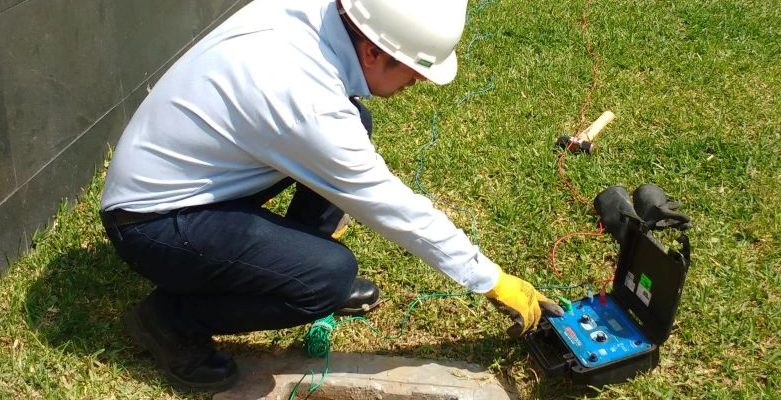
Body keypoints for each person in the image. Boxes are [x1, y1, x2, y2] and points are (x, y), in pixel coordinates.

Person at [99, 0, 561, 392]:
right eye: (417, 70)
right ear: (373, 50)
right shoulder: (305, 100)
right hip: (150, 225)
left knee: (356, 124)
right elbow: (389, 205)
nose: (418, 83)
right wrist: (491, 279)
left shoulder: (320, 14)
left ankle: (281, 271)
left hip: (190, 182)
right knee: (328, 277)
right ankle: (171, 320)